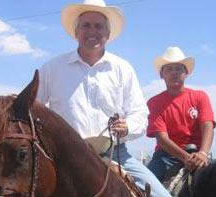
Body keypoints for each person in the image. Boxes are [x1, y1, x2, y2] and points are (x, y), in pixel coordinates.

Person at [37, 0, 171, 196]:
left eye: (98, 26)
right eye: (86, 25)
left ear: (108, 34)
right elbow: (32, 108)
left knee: (163, 195)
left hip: (115, 154)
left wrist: (128, 127)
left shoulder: (122, 68)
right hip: (65, 157)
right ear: (76, 32)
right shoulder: (52, 68)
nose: (92, 31)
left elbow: (139, 113)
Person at [146, 46, 216, 182]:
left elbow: (208, 126)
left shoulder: (200, 96)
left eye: (178, 69)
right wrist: (185, 158)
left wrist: (203, 153)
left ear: (186, 73)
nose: (174, 73)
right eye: (169, 69)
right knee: (145, 185)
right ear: (162, 74)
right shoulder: (154, 102)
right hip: (165, 156)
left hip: (198, 154)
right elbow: (162, 139)